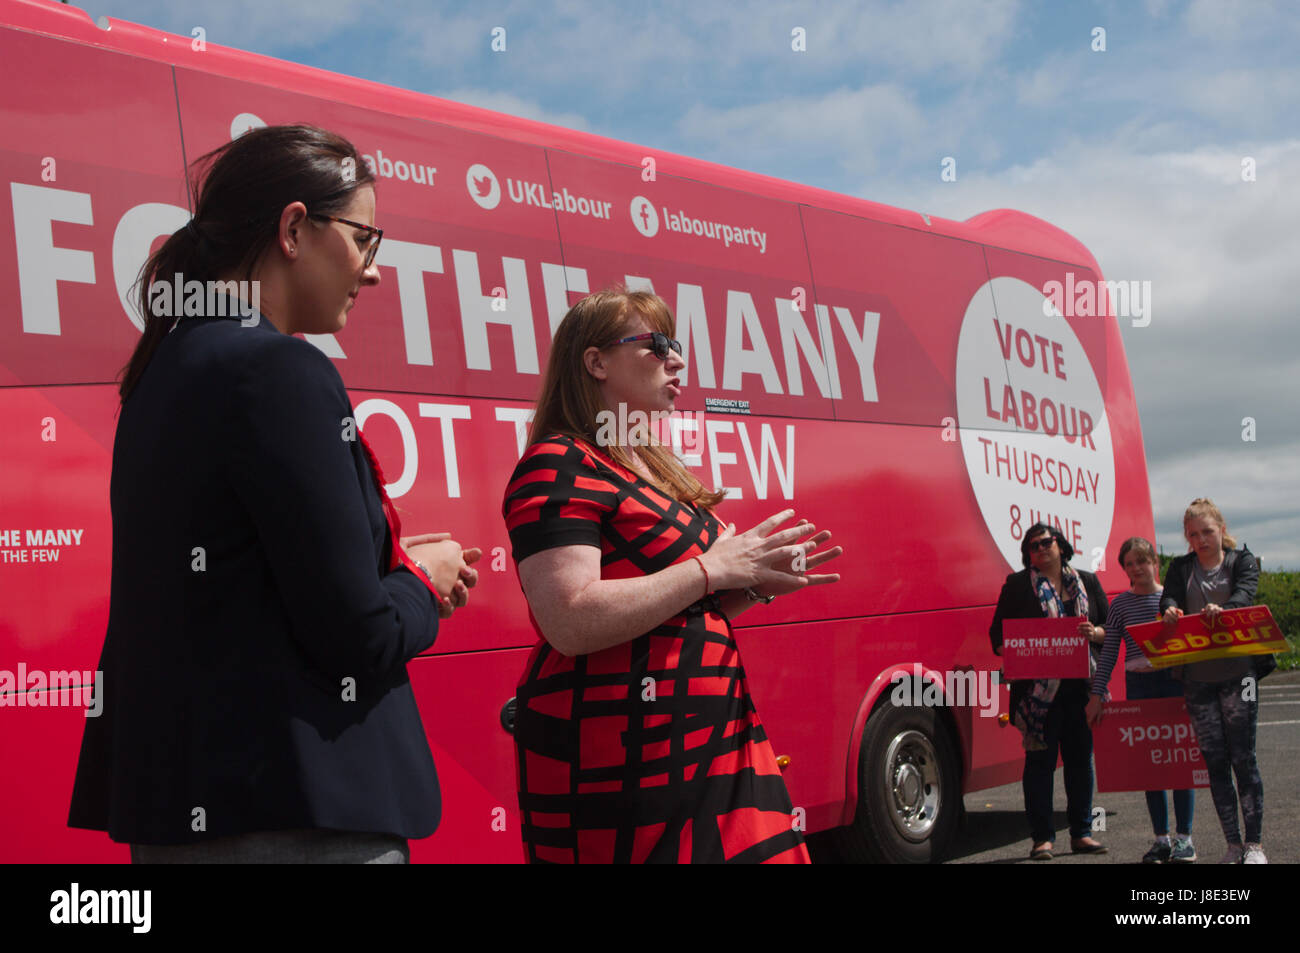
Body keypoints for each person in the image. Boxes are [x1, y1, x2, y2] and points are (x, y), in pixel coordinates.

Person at [68, 124, 480, 863]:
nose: (374, 271)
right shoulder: (278, 370)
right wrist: (424, 580)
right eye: (364, 238)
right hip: (299, 814)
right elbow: (360, 637)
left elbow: (243, 579)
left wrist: (375, 563)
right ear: (295, 227)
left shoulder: (163, 375)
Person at [501, 288, 842, 863]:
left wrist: (754, 582)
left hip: (712, 743)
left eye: (677, 345)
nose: (677, 360)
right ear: (596, 362)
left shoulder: (649, 467)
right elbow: (569, 618)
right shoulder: (558, 460)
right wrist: (714, 567)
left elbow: (683, 610)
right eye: (658, 345)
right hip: (629, 765)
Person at [989, 523, 1109, 860]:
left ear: (1061, 545)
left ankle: (1082, 833)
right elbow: (996, 635)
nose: (1040, 549)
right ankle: (1042, 839)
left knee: (1080, 762)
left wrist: (1093, 633)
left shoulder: (1087, 581)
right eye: (1032, 546)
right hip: (1037, 696)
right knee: (1039, 765)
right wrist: (1016, 648)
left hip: (1080, 689)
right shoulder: (1016, 585)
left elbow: (1111, 630)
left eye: (1046, 542)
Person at [1159, 498, 1266, 864]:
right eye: (1193, 534)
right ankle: (1233, 845)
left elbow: (1244, 595)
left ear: (1221, 528)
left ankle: (1254, 846)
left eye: (1207, 531)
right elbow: (1169, 596)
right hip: (1198, 680)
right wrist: (1170, 609)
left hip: (1239, 677)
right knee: (1215, 763)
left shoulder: (1242, 561)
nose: (1201, 540)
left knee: (1244, 759)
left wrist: (1228, 609)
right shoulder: (1181, 566)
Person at [1085, 537, 1196, 863]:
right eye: (1129, 564)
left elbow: (1192, 646)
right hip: (1139, 683)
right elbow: (1108, 654)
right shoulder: (1120, 605)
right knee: (1152, 767)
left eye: (1142, 562)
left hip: (1173, 682)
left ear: (1155, 563)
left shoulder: (1172, 600)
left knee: (1179, 763)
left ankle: (1184, 839)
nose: (1136, 569)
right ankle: (1161, 839)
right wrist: (1097, 694)